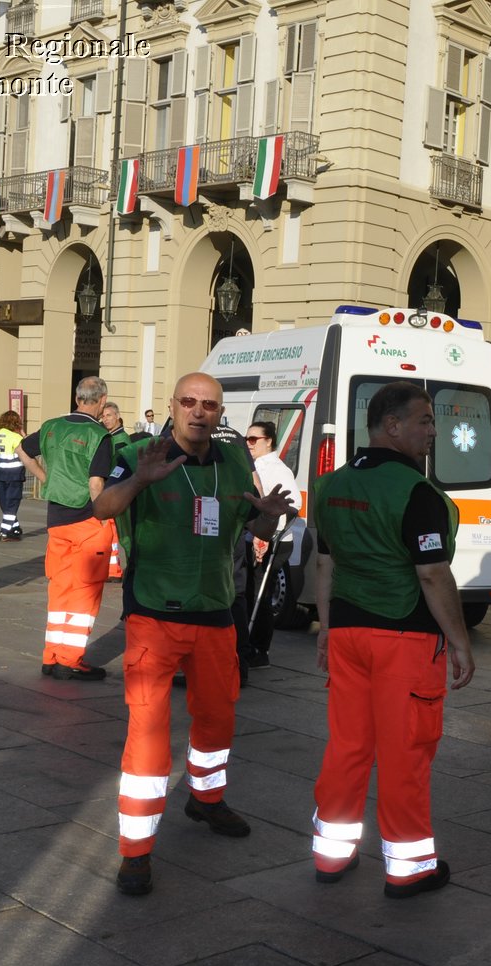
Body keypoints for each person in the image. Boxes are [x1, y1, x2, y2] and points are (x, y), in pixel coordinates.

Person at [91, 372, 294, 896]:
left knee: (217, 720)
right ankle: (135, 852)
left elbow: (254, 528)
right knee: (149, 738)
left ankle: (205, 798)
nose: (198, 411)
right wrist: (140, 481)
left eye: (209, 404)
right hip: (155, 615)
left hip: (215, 613)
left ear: (219, 411)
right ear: (173, 405)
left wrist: (268, 521)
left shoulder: (233, 460)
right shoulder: (141, 451)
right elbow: (102, 509)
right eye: (189, 401)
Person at [309, 381, 473, 899]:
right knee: (405, 752)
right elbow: (432, 575)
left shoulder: (330, 487)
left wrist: (327, 627)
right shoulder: (418, 493)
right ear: (391, 425)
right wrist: (461, 642)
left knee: (348, 745)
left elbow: (325, 563)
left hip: (350, 633)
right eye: (424, 420)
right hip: (403, 637)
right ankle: (409, 867)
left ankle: (331, 855)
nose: (433, 431)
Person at [18, 377, 115, 680]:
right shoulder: (99, 434)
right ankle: (71, 659)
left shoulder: (52, 426)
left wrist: (45, 478)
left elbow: (22, 451)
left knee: (59, 590)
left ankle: (51, 656)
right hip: (87, 521)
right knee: (85, 593)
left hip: (57, 522)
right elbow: (96, 483)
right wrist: (103, 516)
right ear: (101, 401)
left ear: (77, 399)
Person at [243, 421, 302, 669]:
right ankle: (248, 644)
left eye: (254, 439)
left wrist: (268, 536)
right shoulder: (253, 465)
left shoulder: (278, 469)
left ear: (269, 441)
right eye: (247, 439)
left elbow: (292, 506)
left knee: (260, 596)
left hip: (273, 540)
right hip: (255, 537)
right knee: (249, 593)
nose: (249, 444)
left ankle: (259, 649)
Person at [100, 402, 131, 580]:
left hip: (118, 492)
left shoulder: (120, 440)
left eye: (109, 415)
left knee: (124, 534)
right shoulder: (110, 437)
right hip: (113, 490)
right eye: (103, 416)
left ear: (118, 417)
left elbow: (121, 468)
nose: (106, 419)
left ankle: (131, 569)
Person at [0, 410, 27, 541]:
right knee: (12, 504)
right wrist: (23, 435)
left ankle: (15, 528)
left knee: (5, 503)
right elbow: (27, 452)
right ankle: (5, 532)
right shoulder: (16, 438)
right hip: (14, 475)